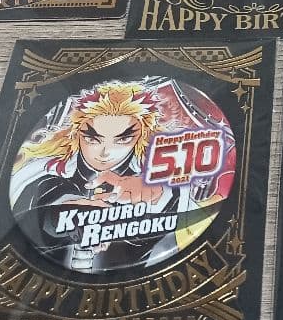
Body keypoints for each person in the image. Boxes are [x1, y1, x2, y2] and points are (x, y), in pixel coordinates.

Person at [10, 81, 190, 272]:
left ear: (141, 138)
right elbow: (34, 214)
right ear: (76, 134)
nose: (105, 152)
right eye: (93, 138)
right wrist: (65, 213)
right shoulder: (45, 178)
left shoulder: (148, 185)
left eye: (123, 139)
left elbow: (154, 237)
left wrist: (157, 193)